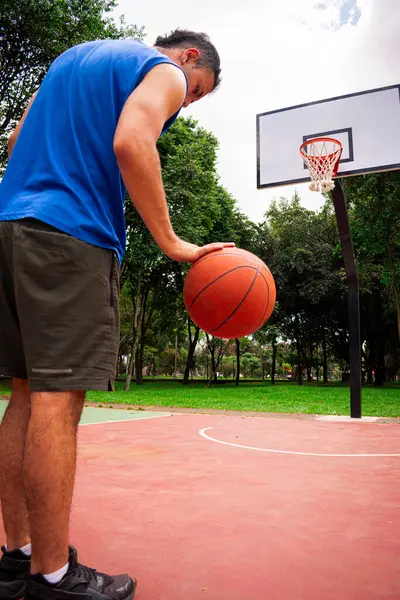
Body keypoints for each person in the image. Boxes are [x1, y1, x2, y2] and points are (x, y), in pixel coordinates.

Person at [0, 30, 233, 600]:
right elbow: (133, 141)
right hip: (70, 236)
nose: (188, 101)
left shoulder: (70, 59)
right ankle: (53, 578)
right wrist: (172, 242)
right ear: (189, 58)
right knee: (58, 400)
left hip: (11, 225)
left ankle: (19, 557)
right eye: (197, 91)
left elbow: (15, 142)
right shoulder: (166, 71)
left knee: (25, 395)